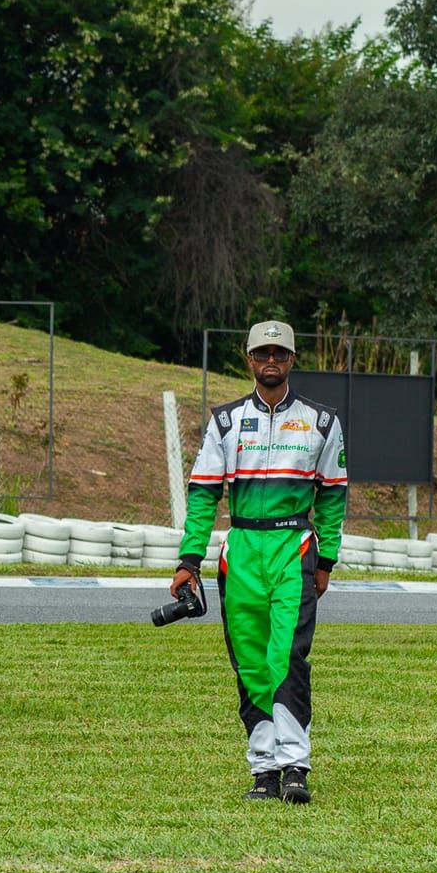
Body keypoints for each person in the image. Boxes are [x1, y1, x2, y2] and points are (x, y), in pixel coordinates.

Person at [171, 321, 346, 804]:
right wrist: (190, 560)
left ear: (293, 359)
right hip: (241, 549)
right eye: (262, 352)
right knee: (249, 662)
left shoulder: (322, 421)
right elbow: (204, 495)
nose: (271, 359)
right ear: (249, 359)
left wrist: (326, 559)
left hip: (295, 547)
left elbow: (333, 497)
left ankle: (295, 767)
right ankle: (264, 770)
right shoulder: (224, 422)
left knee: (286, 656)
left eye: (280, 352)